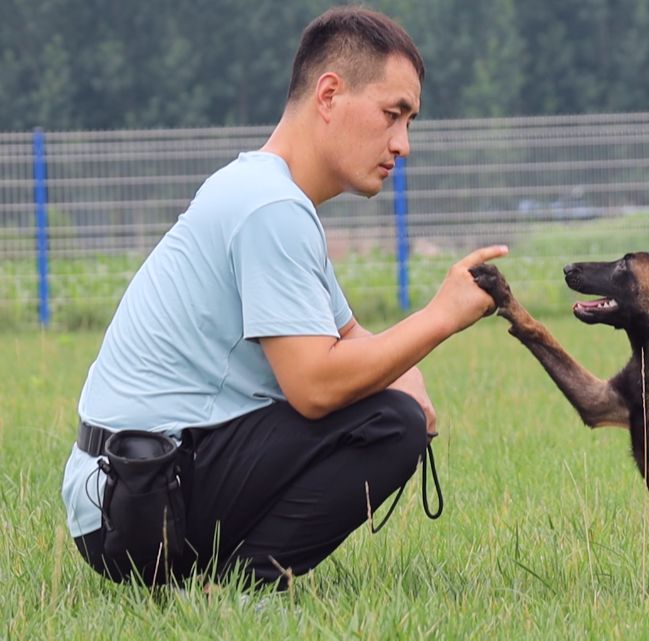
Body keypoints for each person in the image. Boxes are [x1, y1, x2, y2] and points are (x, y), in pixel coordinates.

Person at [61, 6, 506, 589]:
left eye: (410, 121)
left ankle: (229, 574)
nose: (403, 143)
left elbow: (345, 334)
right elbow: (316, 386)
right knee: (391, 425)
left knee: (391, 402)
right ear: (329, 95)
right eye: (392, 115)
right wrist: (439, 318)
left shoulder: (268, 191)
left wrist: (405, 370)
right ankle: (248, 585)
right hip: (140, 508)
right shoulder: (271, 208)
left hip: (127, 491)